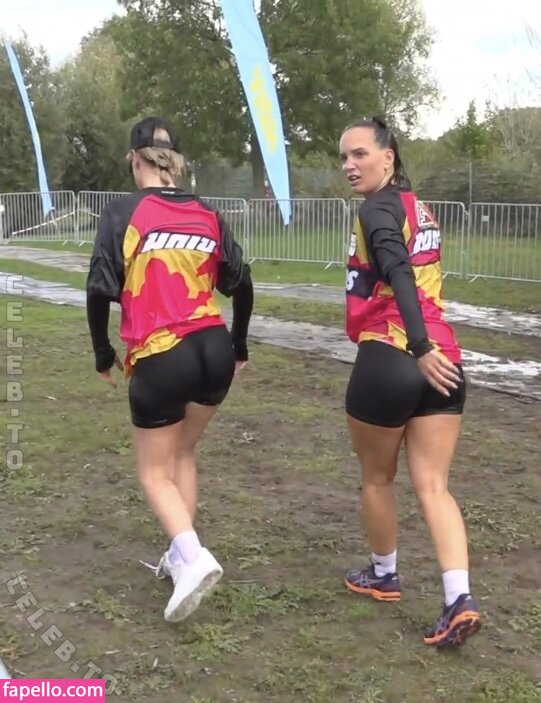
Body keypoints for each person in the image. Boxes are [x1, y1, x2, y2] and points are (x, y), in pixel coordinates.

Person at [85, 116, 254, 623]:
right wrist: (239, 343)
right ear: (176, 162)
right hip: (213, 348)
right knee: (182, 451)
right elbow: (242, 282)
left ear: (134, 160)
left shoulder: (123, 212)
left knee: (153, 472)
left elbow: (98, 289)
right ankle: (182, 555)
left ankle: (193, 557)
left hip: (163, 353)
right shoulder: (207, 212)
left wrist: (101, 351)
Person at [339, 116, 481, 648]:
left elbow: (397, 270)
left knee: (378, 478)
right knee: (434, 486)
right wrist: (428, 347)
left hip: (398, 353)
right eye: (344, 157)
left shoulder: (376, 208)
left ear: (388, 157)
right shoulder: (416, 206)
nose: (350, 165)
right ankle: (458, 598)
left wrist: (416, 346)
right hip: (446, 358)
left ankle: (383, 574)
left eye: (360, 154)